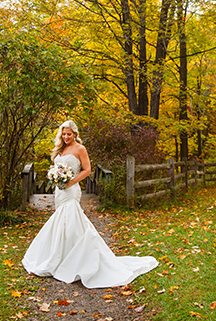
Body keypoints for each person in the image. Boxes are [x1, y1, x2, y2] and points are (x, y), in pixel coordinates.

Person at [22, 120, 158, 288]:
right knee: (61, 221)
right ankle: (61, 256)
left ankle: (77, 259)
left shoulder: (80, 149)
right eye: (63, 134)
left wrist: (70, 182)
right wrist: (55, 177)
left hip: (71, 190)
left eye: (69, 134)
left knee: (71, 220)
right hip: (60, 190)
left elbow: (87, 170)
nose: (66, 137)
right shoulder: (61, 149)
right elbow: (56, 167)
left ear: (75, 134)